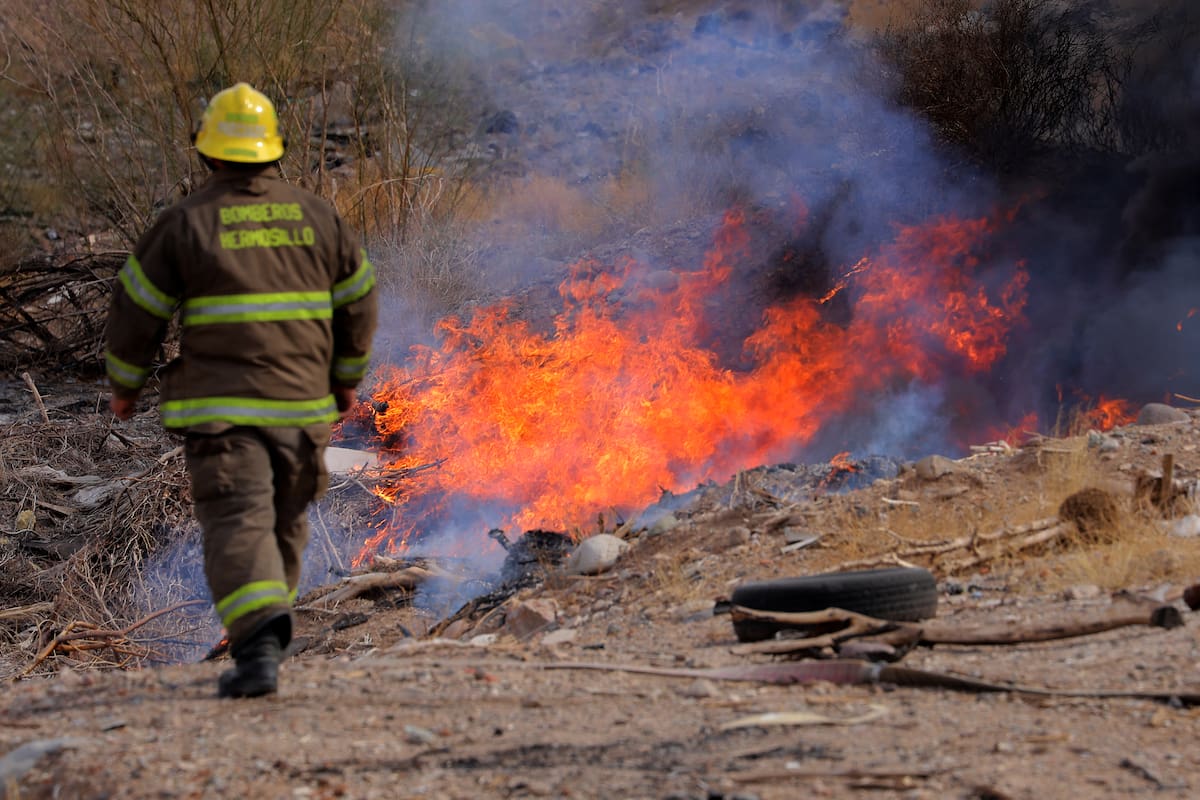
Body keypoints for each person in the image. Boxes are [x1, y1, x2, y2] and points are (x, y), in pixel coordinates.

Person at [104, 82, 379, 698]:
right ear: (273, 151)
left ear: (208, 155)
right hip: (304, 410)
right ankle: (268, 637)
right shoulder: (318, 217)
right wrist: (345, 380)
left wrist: (125, 384)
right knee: (282, 521)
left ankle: (258, 641)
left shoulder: (185, 224)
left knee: (237, 522)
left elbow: (135, 308)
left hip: (224, 414)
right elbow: (359, 300)